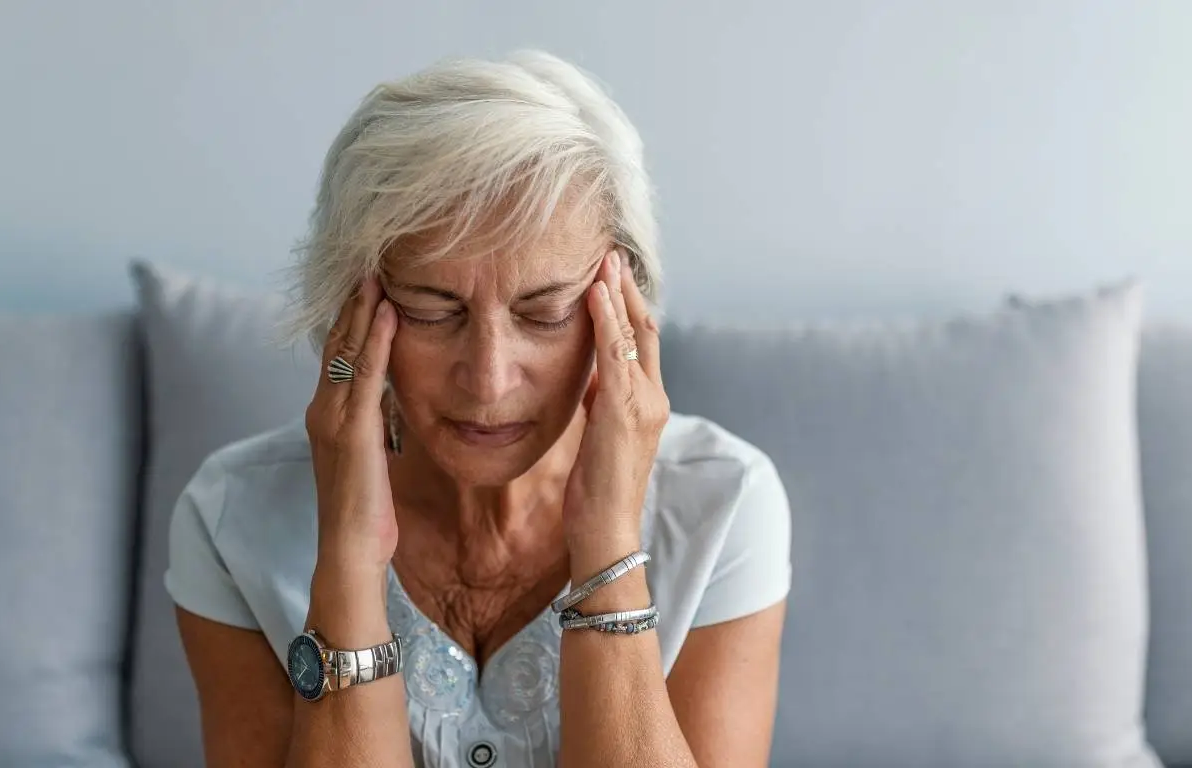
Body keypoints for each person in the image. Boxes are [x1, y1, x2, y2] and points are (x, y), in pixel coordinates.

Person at [167, 49, 792, 768]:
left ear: (620, 309)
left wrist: (609, 544)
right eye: (433, 312)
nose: (489, 380)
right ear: (350, 309)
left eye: (546, 312)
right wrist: (347, 556)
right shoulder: (230, 519)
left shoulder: (724, 504)